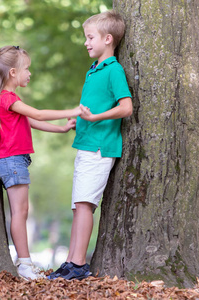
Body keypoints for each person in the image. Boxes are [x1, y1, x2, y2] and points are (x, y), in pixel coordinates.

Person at [49, 11, 133, 280]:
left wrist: (95, 118)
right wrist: (80, 120)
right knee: (78, 206)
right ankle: (70, 262)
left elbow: (126, 107)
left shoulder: (114, 69)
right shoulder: (94, 70)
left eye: (90, 37)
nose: (86, 42)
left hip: (100, 147)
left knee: (85, 205)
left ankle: (78, 264)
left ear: (108, 39)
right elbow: (94, 105)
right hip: (85, 144)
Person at [0, 45, 82, 280]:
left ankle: (24, 262)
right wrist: (74, 110)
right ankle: (24, 264)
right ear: (12, 73)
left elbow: (31, 122)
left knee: (22, 211)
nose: (29, 73)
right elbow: (37, 114)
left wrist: (61, 129)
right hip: (12, 161)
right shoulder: (7, 98)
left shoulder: (10, 99)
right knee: (20, 212)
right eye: (26, 69)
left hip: (14, 160)